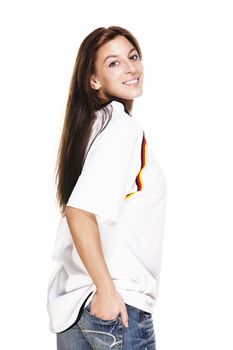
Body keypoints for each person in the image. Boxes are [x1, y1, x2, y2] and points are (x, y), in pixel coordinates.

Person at [47, 26, 167, 350]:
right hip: (113, 307)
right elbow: (78, 211)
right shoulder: (121, 127)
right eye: (114, 63)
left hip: (74, 308)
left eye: (133, 56)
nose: (130, 68)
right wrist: (106, 290)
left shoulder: (89, 127)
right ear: (93, 79)